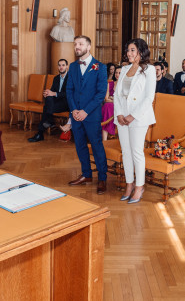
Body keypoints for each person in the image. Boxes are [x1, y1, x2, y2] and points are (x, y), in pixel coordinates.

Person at [114, 39, 156, 204]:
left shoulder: (149, 70)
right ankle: (129, 184)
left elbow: (148, 98)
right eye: (128, 50)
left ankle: (139, 186)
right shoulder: (124, 68)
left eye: (132, 50)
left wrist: (133, 115)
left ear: (141, 51)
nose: (129, 54)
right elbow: (117, 94)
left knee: (136, 152)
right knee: (126, 152)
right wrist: (119, 114)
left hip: (138, 117)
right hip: (122, 117)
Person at [66, 35, 109, 194]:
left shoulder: (100, 67)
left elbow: (100, 94)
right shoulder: (72, 66)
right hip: (76, 114)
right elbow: (69, 90)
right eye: (75, 43)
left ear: (89, 47)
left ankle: (102, 178)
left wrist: (85, 111)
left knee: (97, 146)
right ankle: (86, 174)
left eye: (80, 44)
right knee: (80, 146)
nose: (77, 46)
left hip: (91, 115)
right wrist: (74, 111)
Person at [28, 59, 69, 142]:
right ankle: (47, 125)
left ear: (67, 67)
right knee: (48, 99)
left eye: (63, 65)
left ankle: (41, 132)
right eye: (59, 65)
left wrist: (53, 94)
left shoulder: (71, 78)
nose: (61, 67)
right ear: (57, 67)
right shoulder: (56, 78)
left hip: (66, 104)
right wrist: (47, 93)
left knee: (46, 108)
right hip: (56, 103)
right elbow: (52, 91)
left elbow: (68, 94)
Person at [101, 66, 120, 140]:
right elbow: (106, 98)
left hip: (120, 106)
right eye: (116, 72)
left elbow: (123, 100)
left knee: (108, 106)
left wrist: (112, 98)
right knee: (107, 105)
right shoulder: (110, 83)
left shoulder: (125, 85)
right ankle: (104, 140)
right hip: (109, 105)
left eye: (120, 73)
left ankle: (104, 138)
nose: (117, 74)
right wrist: (115, 99)